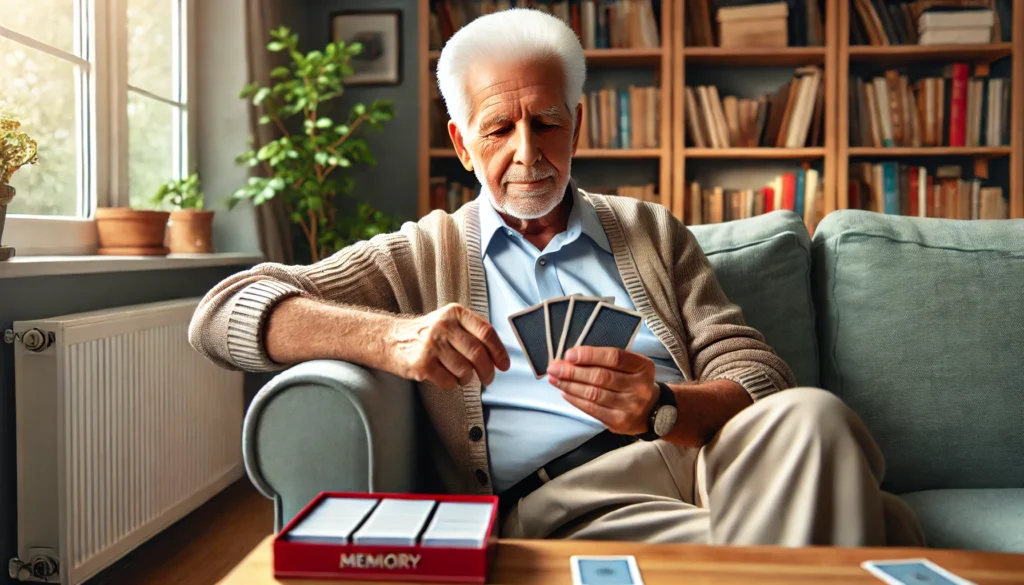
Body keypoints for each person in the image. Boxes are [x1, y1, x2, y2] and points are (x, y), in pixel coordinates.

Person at [190, 8, 924, 547]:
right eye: (498, 129)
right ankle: (812, 534)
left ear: (578, 123)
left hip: (712, 460)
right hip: (577, 504)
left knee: (815, 417)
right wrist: (393, 338)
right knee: (837, 517)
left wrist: (663, 405)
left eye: (546, 123)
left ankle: (786, 532)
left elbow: (756, 370)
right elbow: (223, 310)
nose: (527, 152)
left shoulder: (650, 231)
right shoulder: (424, 253)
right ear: (462, 144)